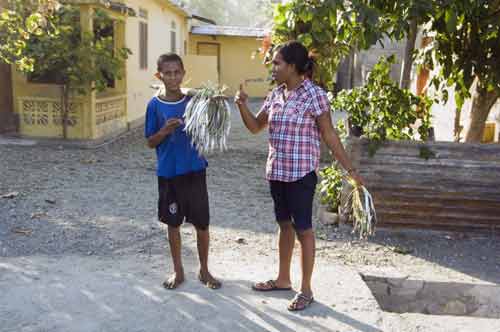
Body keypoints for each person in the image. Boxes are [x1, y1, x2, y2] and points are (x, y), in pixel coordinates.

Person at [234, 41, 363, 311]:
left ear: (292, 67)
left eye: (277, 63)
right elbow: (256, 127)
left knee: (304, 229)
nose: (273, 67)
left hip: (301, 174)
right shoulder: (276, 94)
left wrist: (350, 170)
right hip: (277, 172)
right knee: (284, 225)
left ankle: (306, 289)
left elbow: (329, 134)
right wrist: (242, 106)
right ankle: (283, 279)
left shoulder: (313, 95)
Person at [145, 53, 221, 290]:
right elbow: (150, 142)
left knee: (202, 225)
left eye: (177, 72)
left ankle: (204, 270)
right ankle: (178, 271)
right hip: (169, 173)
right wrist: (165, 131)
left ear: (183, 74)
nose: (173, 77)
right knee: (173, 224)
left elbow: (212, 122)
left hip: (195, 170)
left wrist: (210, 101)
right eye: (167, 73)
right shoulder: (154, 105)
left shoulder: (193, 101)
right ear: (159, 76)